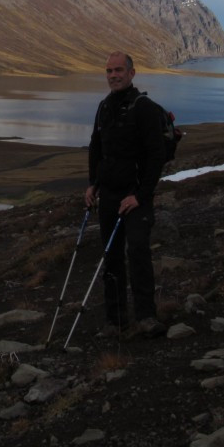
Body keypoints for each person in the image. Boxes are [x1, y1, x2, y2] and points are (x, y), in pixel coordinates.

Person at [84, 51, 167, 339]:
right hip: (107, 194)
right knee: (112, 257)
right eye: (108, 71)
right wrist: (92, 183)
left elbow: (156, 156)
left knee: (138, 250)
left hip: (135, 197)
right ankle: (115, 320)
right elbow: (96, 147)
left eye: (119, 70)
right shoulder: (104, 107)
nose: (113, 75)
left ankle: (146, 317)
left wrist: (141, 196)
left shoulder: (143, 108)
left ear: (132, 73)